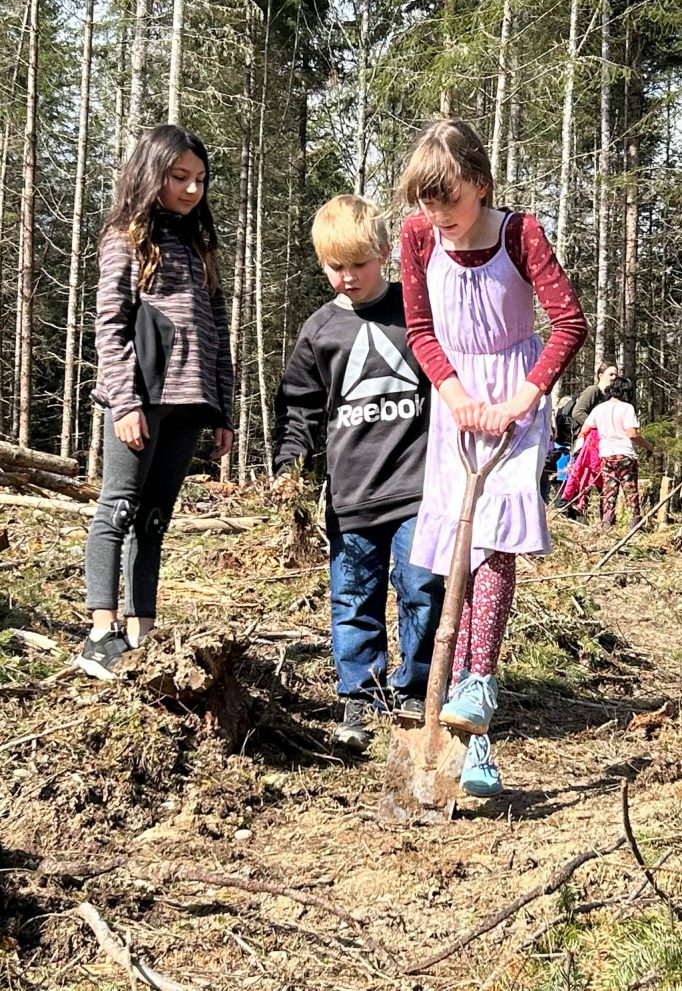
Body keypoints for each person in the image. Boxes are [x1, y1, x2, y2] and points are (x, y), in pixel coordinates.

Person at [399, 119, 587, 796]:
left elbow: (569, 322)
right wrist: (451, 393)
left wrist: (525, 397)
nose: (435, 215)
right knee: (456, 549)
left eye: (447, 199)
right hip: (453, 399)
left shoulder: (519, 233)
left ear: (479, 184)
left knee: (495, 542)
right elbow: (419, 327)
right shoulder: (418, 235)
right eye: (425, 201)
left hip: (514, 400)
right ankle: (465, 745)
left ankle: (479, 686)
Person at [273, 194, 444, 753]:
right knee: (353, 597)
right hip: (351, 495)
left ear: (383, 254)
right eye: (335, 267)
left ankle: (417, 688)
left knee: (422, 586)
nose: (347, 278)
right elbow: (298, 407)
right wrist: (289, 465)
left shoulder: (416, 312)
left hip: (419, 486)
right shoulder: (320, 330)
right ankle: (360, 697)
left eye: (359, 264)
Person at [76, 125, 234, 681]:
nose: (191, 190)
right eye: (178, 177)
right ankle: (101, 631)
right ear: (152, 174)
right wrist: (124, 402)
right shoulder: (125, 236)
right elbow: (110, 325)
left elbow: (217, 330)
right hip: (141, 398)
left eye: (199, 180)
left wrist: (223, 411)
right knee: (117, 507)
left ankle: (143, 630)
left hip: (192, 403)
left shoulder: (199, 244)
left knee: (155, 519)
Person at [579, 376, 653, 530]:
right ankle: (635, 525)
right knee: (630, 489)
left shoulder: (599, 409)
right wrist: (648, 446)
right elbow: (632, 434)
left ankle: (607, 522)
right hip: (625, 454)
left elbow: (584, 430)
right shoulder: (627, 408)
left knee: (609, 489)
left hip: (606, 454)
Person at [571, 361, 618, 432]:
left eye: (616, 375)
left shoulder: (611, 396)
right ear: (600, 375)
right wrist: (596, 426)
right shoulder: (593, 390)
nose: (614, 377)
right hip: (587, 437)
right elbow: (577, 412)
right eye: (611, 374)